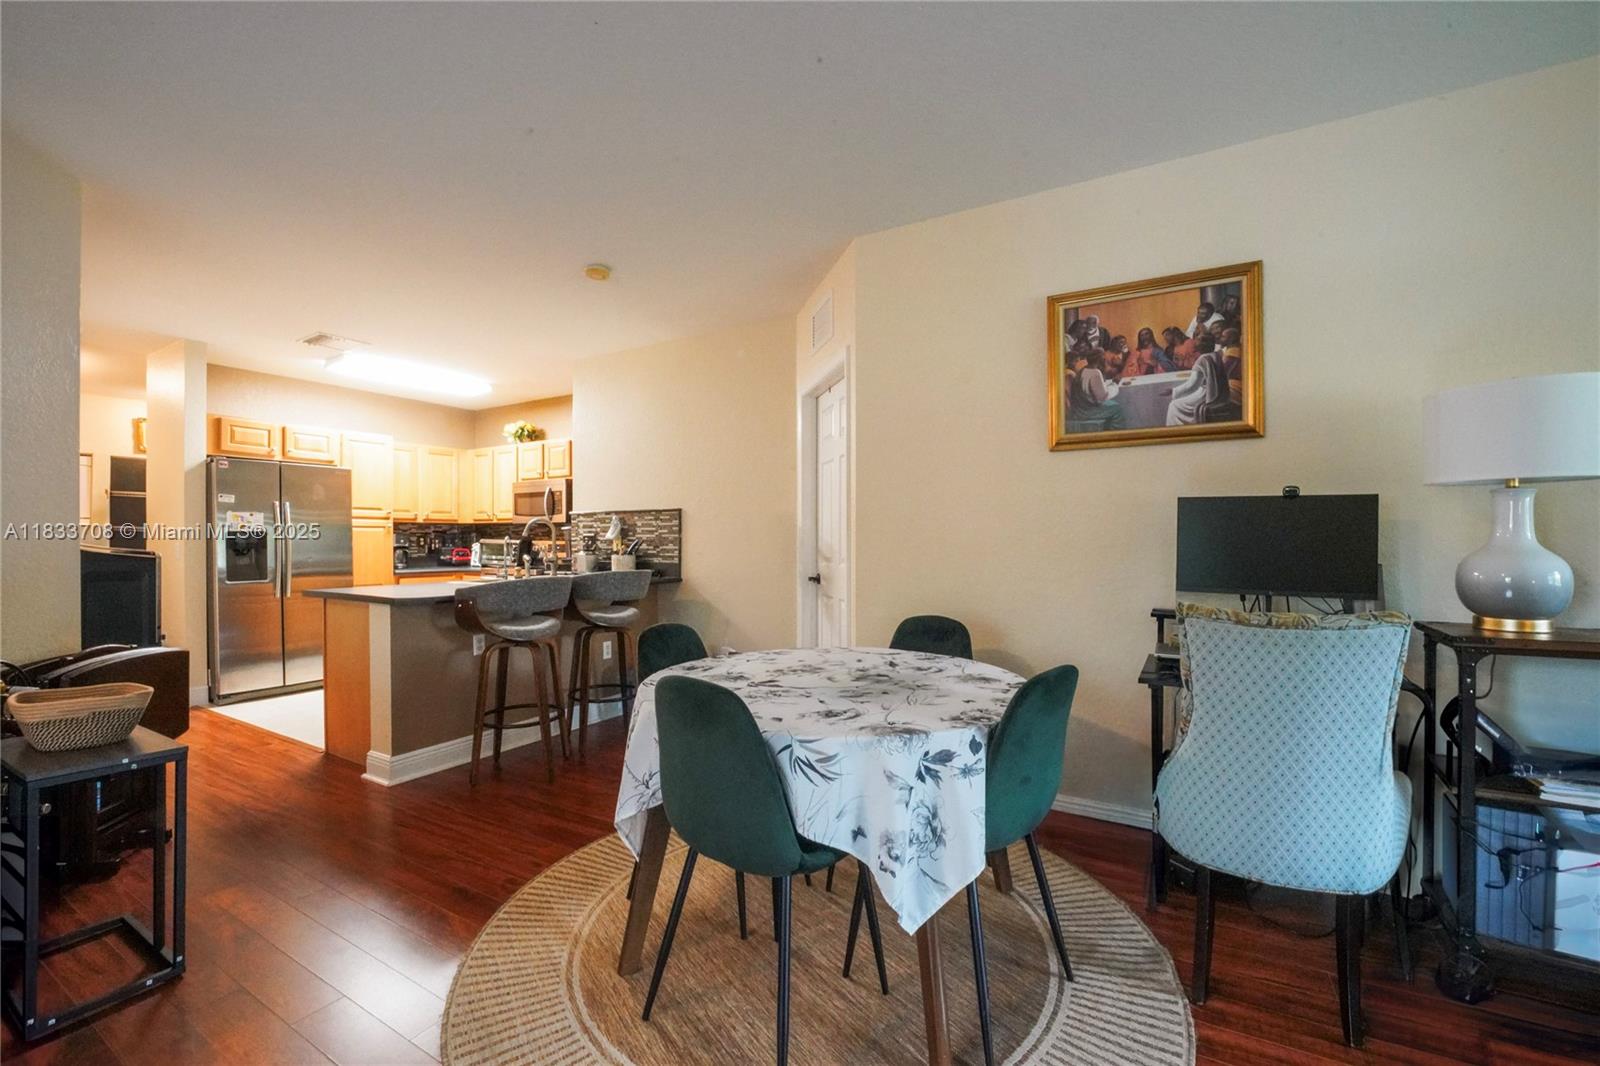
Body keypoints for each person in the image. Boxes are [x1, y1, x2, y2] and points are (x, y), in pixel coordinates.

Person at [1066, 349, 1126, 432]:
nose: (1105, 361)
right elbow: (1103, 397)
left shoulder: (1084, 370)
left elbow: (1095, 390)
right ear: (1099, 360)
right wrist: (1115, 384)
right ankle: (1116, 435)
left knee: (1112, 404)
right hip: (1087, 411)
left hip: (1081, 408)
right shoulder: (1095, 373)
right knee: (1117, 408)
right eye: (1103, 359)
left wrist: (1110, 384)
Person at [1167, 350, 1228, 426]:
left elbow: (1192, 385)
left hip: (1205, 394)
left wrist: (1173, 391)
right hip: (1216, 393)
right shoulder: (1216, 355)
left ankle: (1176, 430)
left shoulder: (1202, 359)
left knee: (1173, 405)